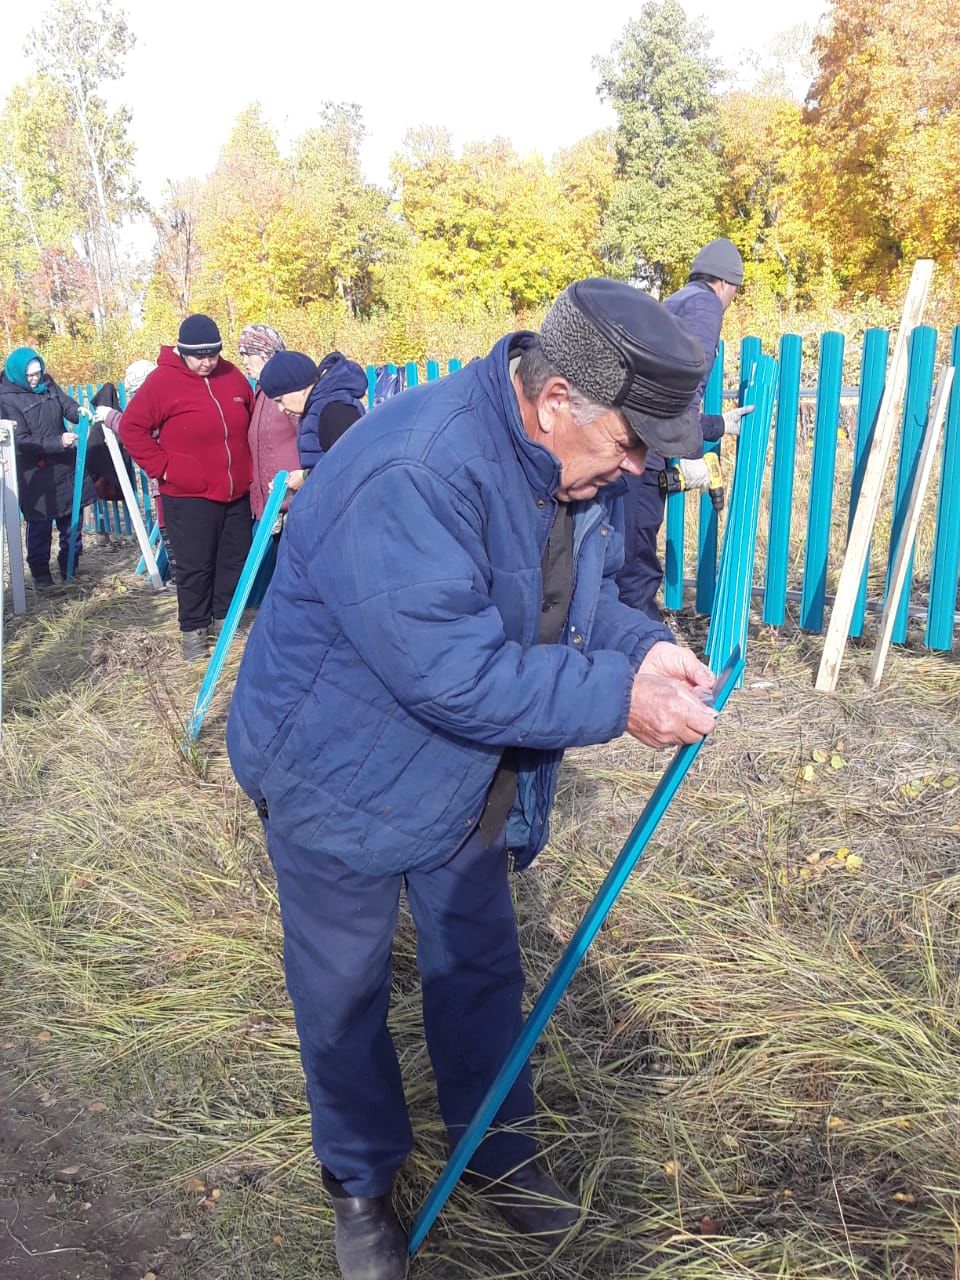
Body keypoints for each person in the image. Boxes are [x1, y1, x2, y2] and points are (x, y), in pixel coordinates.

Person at [226, 278, 719, 1280]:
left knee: (480, 963)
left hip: (458, 772)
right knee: (347, 991)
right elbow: (459, 670)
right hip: (338, 768)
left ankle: (497, 1147)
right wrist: (618, 701)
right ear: (554, 404)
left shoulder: (573, 465)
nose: (638, 469)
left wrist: (645, 648)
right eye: (630, 444)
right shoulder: (417, 468)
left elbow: (572, 600)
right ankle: (361, 1185)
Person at [616, 238, 753, 618]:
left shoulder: (675, 300)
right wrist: (696, 446)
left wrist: (718, 424)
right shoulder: (705, 305)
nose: (730, 300)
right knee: (637, 560)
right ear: (726, 283)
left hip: (628, 441)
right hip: (645, 450)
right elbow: (686, 388)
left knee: (623, 550)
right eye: (735, 293)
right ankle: (642, 649)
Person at [119, 315, 254, 660]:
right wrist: (164, 468)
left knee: (232, 559)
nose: (207, 362)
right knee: (195, 565)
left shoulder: (233, 377)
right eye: (199, 356)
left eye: (213, 354)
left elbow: (250, 420)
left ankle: (225, 621)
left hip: (235, 489)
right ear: (183, 352)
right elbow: (132, 428)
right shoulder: (162, 382)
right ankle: (194, 630)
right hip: (188, 493)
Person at [0, 346, 92, 590]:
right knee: (40, 525)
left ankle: (69, 568)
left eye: (38, 373)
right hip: (36, 472)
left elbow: (66, 404)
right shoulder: (6, 398)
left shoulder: (48, 384)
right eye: (30, 375)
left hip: (64, 466)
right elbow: (21, 439)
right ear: (18, 374)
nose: (35, 379)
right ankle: (41, 576)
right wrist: (58, 442)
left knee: (71, 521)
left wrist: (79, 412)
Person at [257, 349, 367, 470]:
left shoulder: (335, 410)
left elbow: (353, 469)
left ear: (299, 387)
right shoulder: (315, 409)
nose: (280, 408)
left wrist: (305, 477)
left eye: (280, 400)